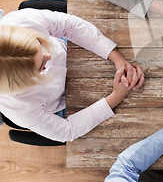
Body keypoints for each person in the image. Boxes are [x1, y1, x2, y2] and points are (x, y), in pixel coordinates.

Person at [0, 8, 144, 142]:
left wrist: (116, 57)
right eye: (41, 65)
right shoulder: (17, 106)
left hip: (70, 49)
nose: (48, 56)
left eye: (39, 45)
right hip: (59, 102)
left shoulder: (21, 21)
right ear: (24, 81)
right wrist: (116, 96)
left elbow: (70, 25)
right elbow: (68, 131)